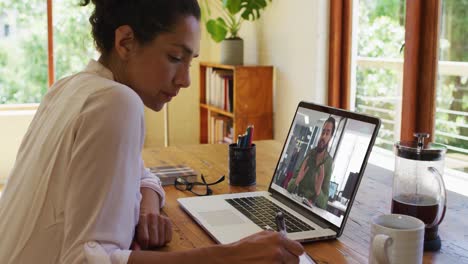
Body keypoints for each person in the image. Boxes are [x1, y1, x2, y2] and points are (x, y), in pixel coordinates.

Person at [0, 1, 304, 263]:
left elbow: (141, 172)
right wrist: (233, 256)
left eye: (190, 61)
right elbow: (85, 260)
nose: (185, 80)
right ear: (126, 42)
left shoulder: (69, 87)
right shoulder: (117, 102)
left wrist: (147, 207)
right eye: (174, 58)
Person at [287, 117, 336, 209]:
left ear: (330, 137)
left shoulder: (329, 162)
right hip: (296, 203)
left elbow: (324, 204)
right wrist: (297, 179)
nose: (323, 136)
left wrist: (318, 190)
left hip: (310, 210)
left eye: (327, 133)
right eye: (323, 131)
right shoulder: (310, 153)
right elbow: (289, 187)